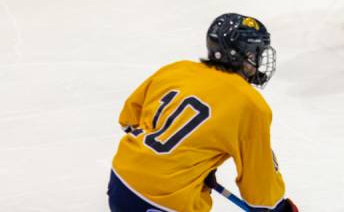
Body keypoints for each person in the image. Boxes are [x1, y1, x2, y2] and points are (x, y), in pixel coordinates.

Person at [108, 14, 298, 212]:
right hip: (168, 204)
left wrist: (188, 163)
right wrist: (278, 208)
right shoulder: (252, 105)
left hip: (120, 183)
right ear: (239, 55)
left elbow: (129, 120)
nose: (257, 62)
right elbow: (260, 190)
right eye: (254, 55)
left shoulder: (178, 69)